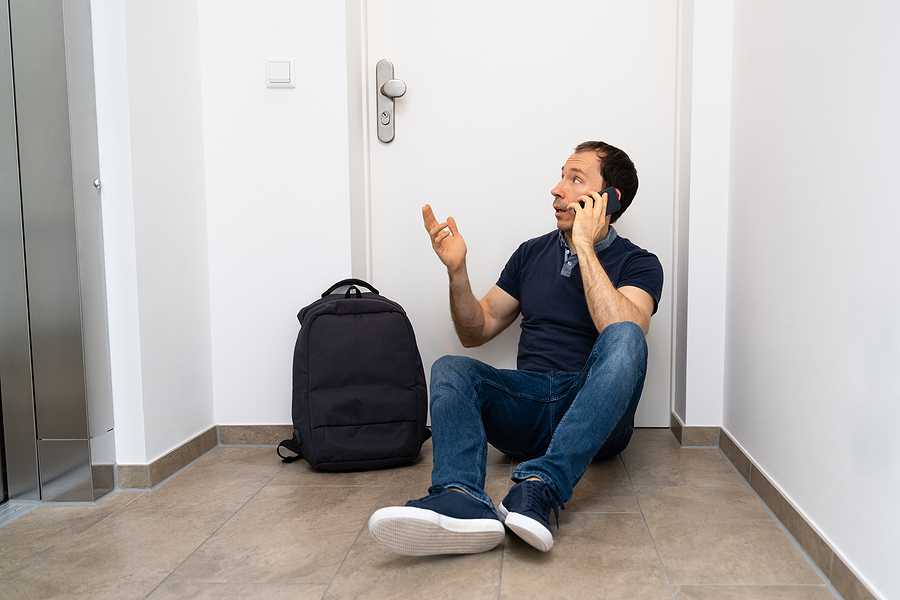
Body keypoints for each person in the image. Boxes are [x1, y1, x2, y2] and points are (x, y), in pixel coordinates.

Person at [368, 141, 663, 556]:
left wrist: (584, 246)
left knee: (629, 334)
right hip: (527, 403)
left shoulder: (639, 262)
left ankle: (541, 486)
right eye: (561, 176)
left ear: (607, 199)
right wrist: (458, 272)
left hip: (594, 414)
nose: (557, 189)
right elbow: (476, 330)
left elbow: (621, 329)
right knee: (451, 367)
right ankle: (460, 498)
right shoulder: (530, 253)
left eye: (575, 179)